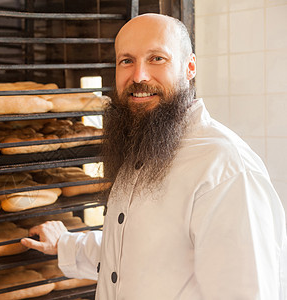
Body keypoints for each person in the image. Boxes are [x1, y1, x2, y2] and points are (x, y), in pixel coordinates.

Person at [21, 13, 287, 299]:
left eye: (157, 58)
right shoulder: (145, 144)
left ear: (190, 67)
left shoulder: (225, 169)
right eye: (127, 61)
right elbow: (138, 255)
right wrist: (66, 244)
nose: (139, 76)